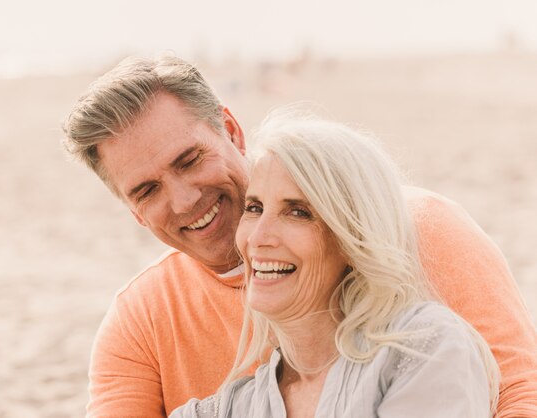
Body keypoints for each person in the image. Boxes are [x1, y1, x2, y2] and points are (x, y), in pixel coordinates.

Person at [62, 55, 537, 418]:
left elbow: (520, 391)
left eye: (188, 160)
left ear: (230, 130)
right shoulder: (141, 320)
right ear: (134, 212)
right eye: (147, 191)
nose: (185, 200)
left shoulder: (421, 229)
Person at [170, 108, 500, 417]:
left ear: (352, 235)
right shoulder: (238, 405)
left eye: (297, 212)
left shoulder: (424, 348)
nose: (258, 238)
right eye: (254, 208)